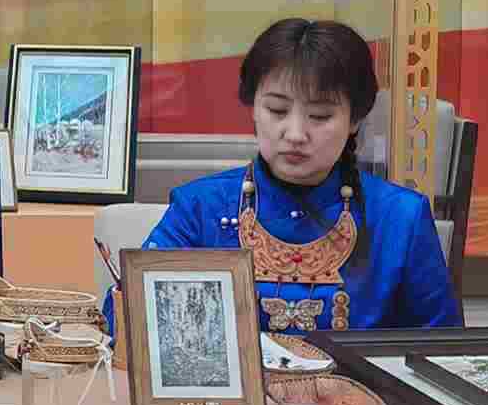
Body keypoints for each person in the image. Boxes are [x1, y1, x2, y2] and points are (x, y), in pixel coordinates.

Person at [135, 17, 461, 333]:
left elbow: (442, 348)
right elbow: (133, 310)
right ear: (253, 108)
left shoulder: (401, 218)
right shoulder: (200, 207)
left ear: (355, 120)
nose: (295, 134)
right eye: (277, 110)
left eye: (319, 115)